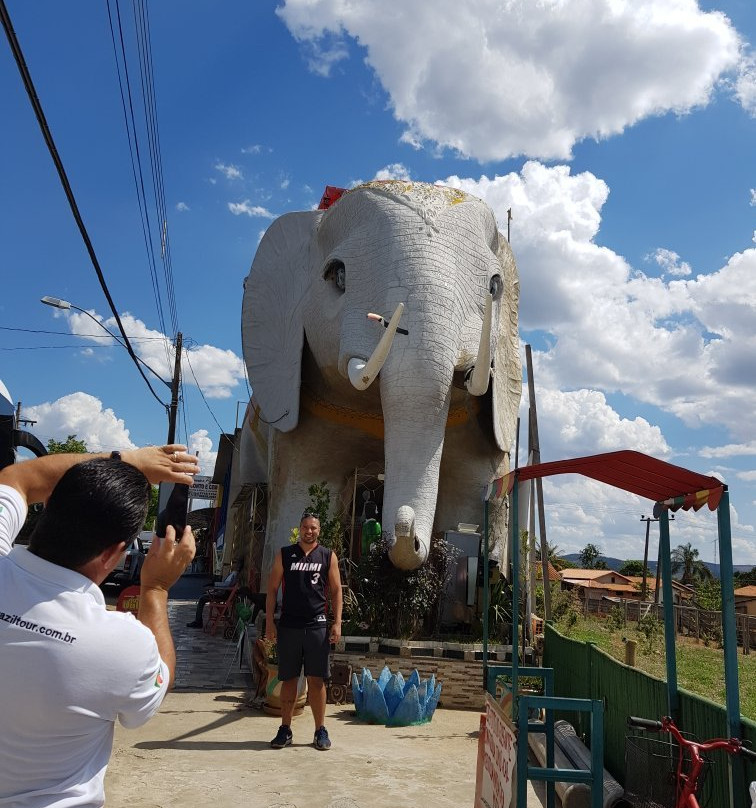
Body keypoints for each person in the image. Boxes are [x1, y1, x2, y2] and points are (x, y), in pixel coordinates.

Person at [0, 444, 198, 807]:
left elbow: (19, 478)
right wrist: (155, 589)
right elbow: (160, 681)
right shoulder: (119, 642)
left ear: (48, 510)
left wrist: (123, 462)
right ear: (111, 554)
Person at [265, 510, 342, 751]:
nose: (310, 531)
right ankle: (285, 729)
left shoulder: (328, 556)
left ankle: (320, 730)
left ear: (319, 530)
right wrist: (269, 622)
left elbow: (336, 591)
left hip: (317, 626)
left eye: (314, 528)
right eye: (306, 527)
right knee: (288, 678)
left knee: (316, 680)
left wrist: (337, 622)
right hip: (289, 625)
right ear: (300, 529)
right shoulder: (285, 555)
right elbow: (272, 589)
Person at [186, 559, 242, 629]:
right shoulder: (233, 573)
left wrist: (214, 584)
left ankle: (198, 621)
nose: (232, 564)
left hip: (223, 594)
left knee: (202, 599)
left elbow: (226, 584)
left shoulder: (234, 574)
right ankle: (198, 620)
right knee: (204, 596)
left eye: (234, 563)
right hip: (222, 592)